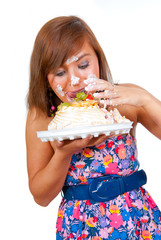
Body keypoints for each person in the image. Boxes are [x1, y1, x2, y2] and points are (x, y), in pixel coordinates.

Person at [26, 16, 161, 239]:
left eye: (82, 65)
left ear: (98, 58)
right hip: (81, 227)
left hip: (137, 220)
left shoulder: (121, 100)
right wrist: (63, 152)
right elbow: (41, 197)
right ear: (45, 77)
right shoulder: (43, 118)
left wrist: (143, 98)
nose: (74, 80)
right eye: (60, 73)